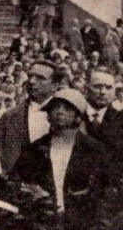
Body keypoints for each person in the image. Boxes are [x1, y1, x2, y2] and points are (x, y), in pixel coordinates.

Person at [11, 88, 109, 217]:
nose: (59, 112)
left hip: (81, 220)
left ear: (78, 116)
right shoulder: (35, 148)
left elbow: (103, 187)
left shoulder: (93, 149)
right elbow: (17, 180)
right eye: (55, 108)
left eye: (67, 109)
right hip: (42, 217)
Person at [0, 59, 64, 177]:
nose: (32, 81)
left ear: (55, 86)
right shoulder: (8, 117)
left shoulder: (69, 118)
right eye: (30, 76)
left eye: (40, 78)